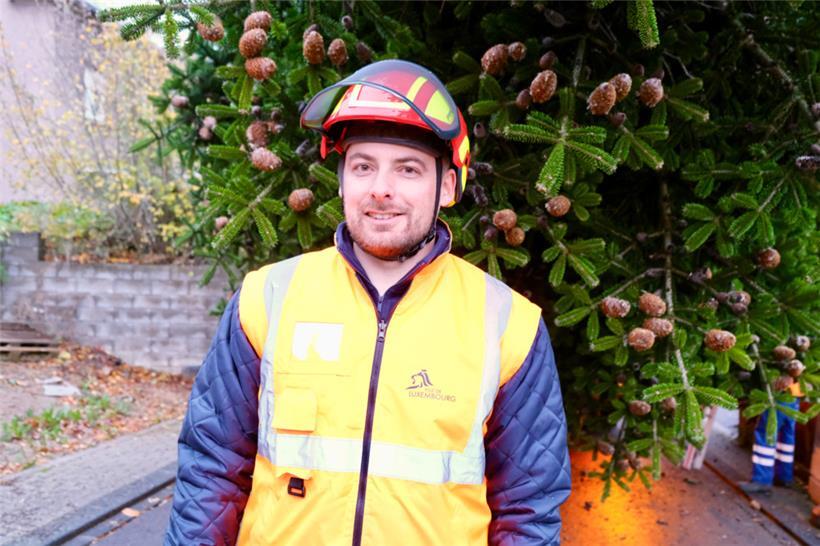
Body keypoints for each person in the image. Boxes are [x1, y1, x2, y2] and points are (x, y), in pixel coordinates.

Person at [165, 59, 571, 546]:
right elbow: (211, 473)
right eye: (363, 166)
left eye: (408, 168)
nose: (381, 187)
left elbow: (529, 509)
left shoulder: (508, 326)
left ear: (446, 186)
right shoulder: (267, 298)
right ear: (341, 180)